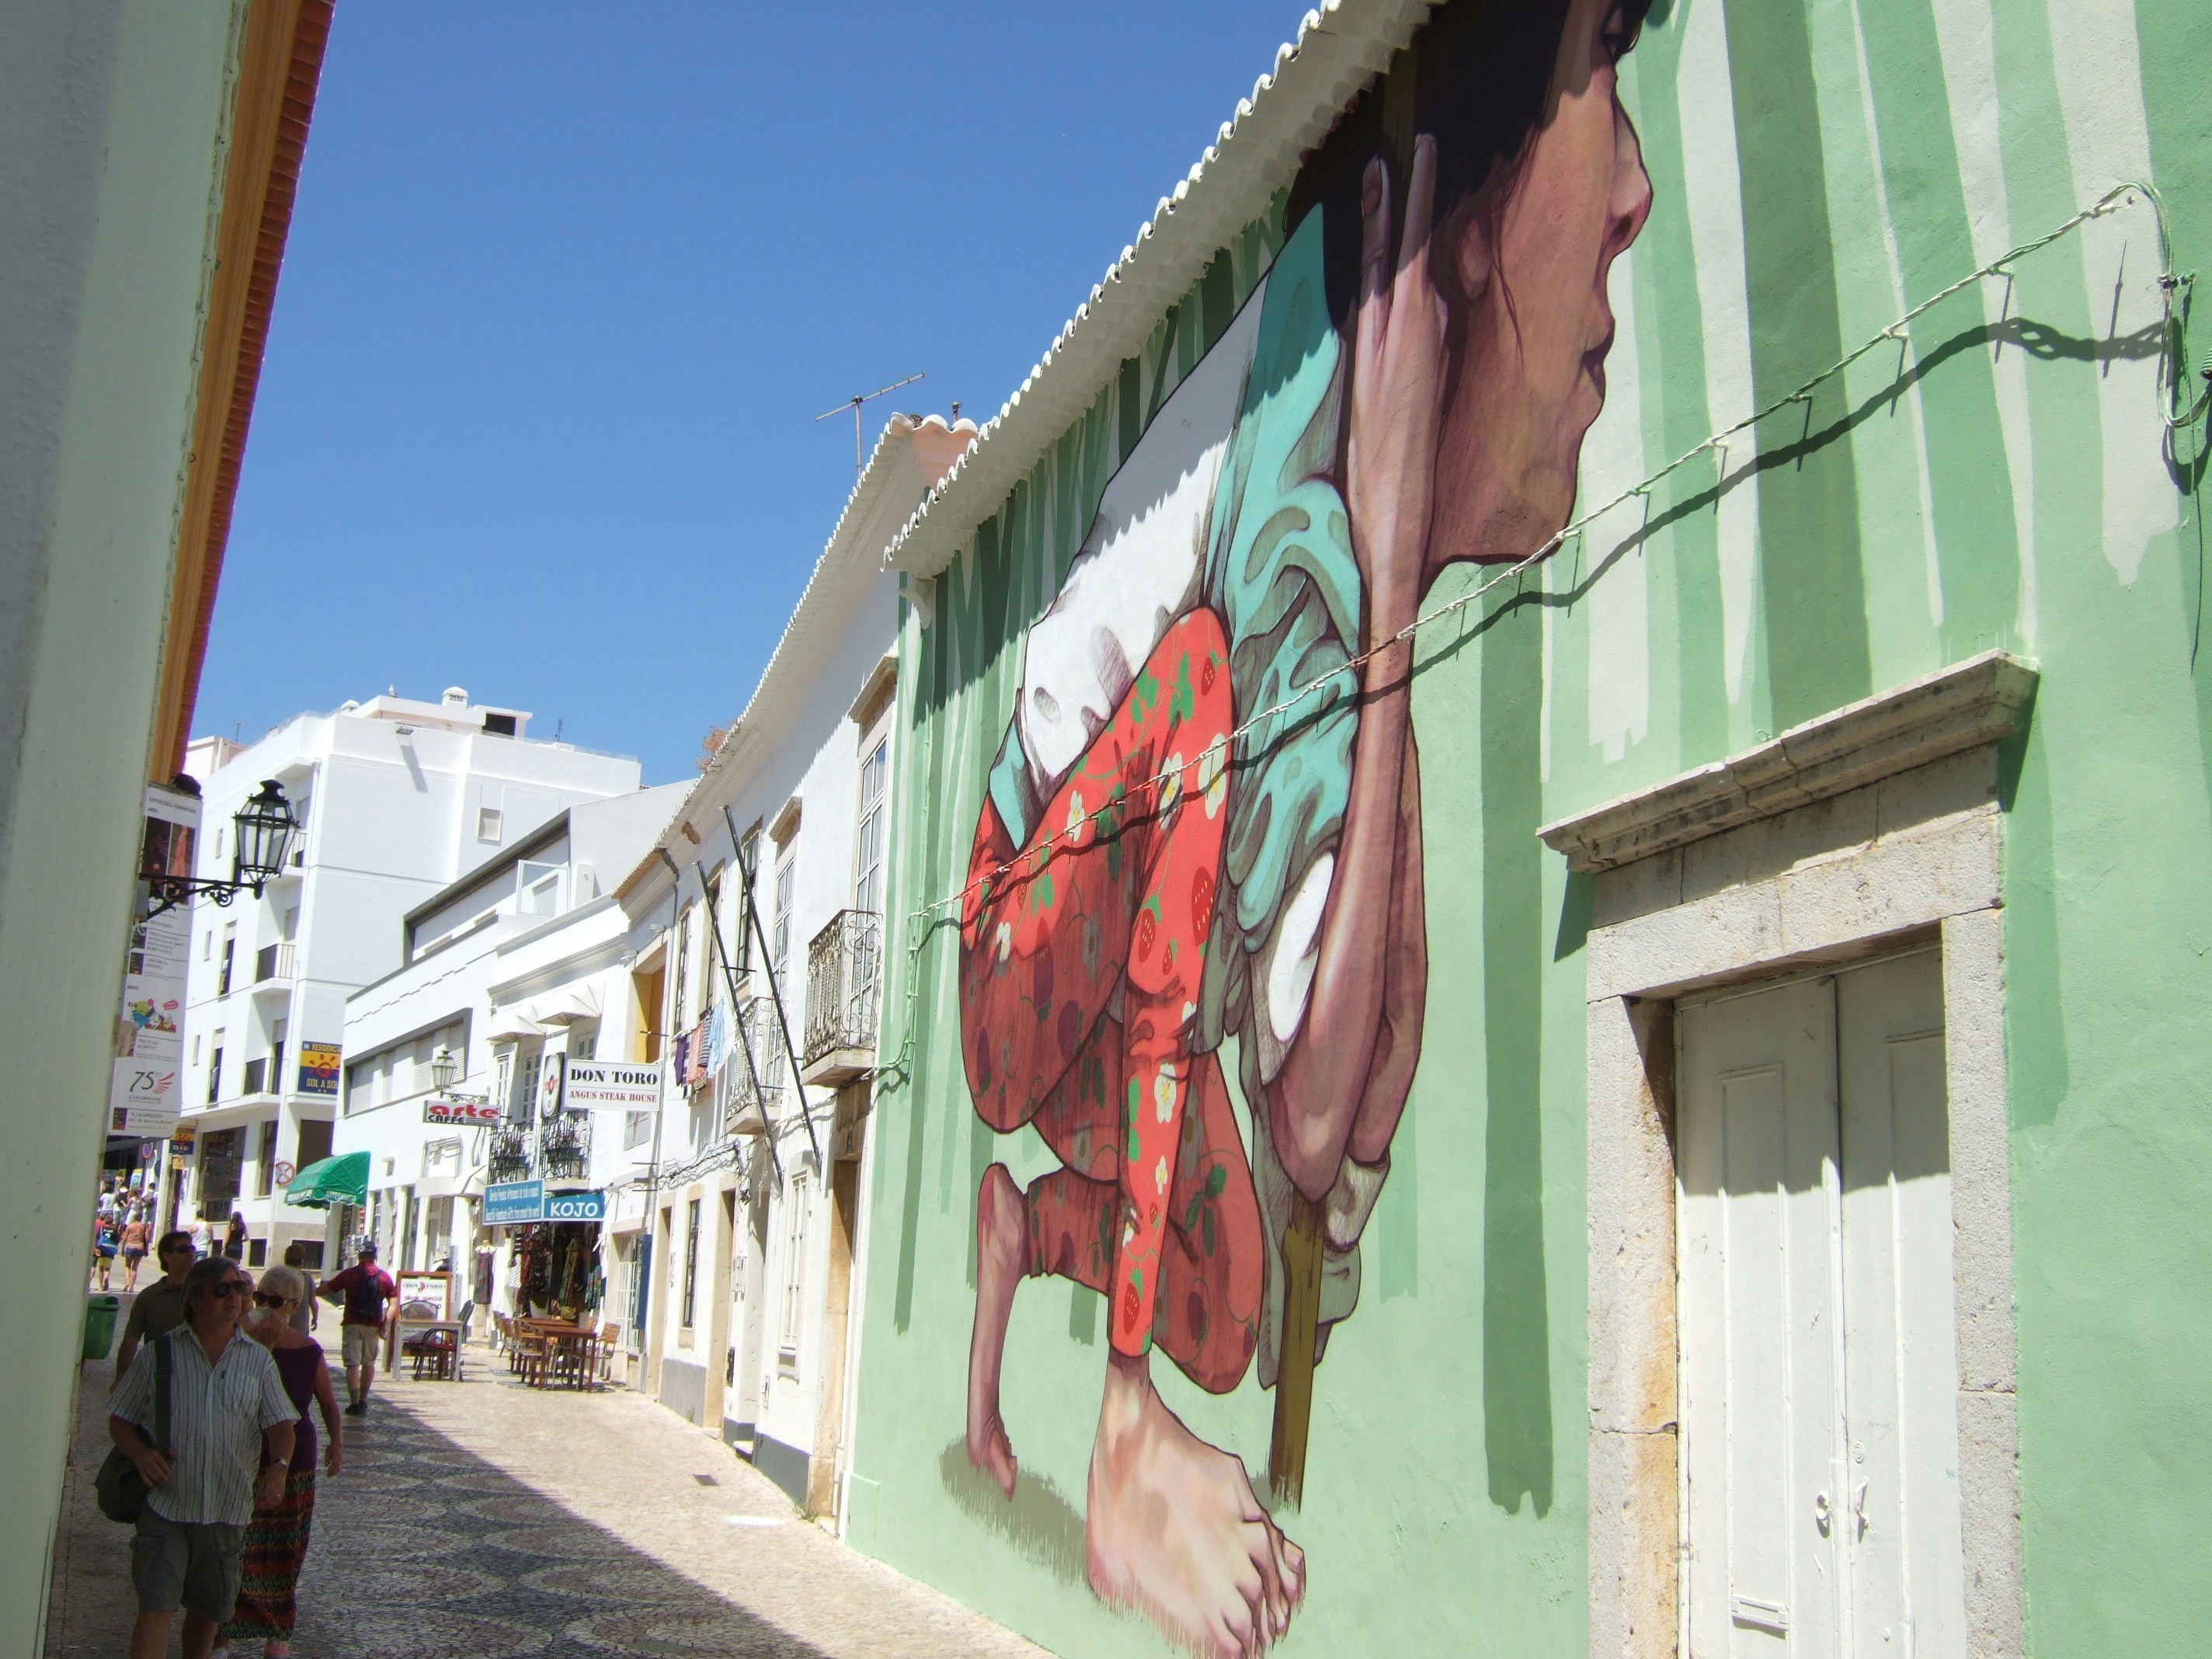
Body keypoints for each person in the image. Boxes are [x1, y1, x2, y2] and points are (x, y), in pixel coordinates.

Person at [956, 2, 1654, 1651]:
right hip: (1020, 938)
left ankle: (1022, 1238)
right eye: (1594, 66)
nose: (1633, 190)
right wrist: (1383, 589)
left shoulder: (1364, 568)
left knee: (1238, 1301)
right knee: (1202, 687)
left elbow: (1326, 1135)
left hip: (1132, 990)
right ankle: (1120, 1420)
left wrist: (1399, 594)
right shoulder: (1285, 477)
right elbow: (1319, 1109)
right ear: (1459, 234)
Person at [109, 1258, 297, 1659]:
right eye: (221, 1290)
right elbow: (120, 1417)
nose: (234, 1297)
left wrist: (279, 1469)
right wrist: (141, 1454)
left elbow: (282, 1424)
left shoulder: (257, 1360)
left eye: (239, 1289)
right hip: (167, 1505)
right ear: (195, 1300)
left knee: (207, 1613)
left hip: (227, 1512)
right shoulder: (160, 1354)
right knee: (155, 1607)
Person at [217, 1265, 341, 1658]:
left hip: (294, 1461)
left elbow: (327, 1403)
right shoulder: (236, 1341)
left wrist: (337, 1444)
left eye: (275, 1301)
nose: (265, 1307)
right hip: (245, 1455)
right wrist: (261, 1347)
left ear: (294, 1305)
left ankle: (278, 1634)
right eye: (260, 1298)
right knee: (236, 1549)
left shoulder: (308, 1350)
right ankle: (221, 1635)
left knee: (287, 1550)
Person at [317, 1242, 396, 1414]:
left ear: (359, 1256)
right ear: (375, 1256)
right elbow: (394, 1306)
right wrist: (384, 1325)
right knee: (368, 1363)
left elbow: (326, 1289)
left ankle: (354, 1403)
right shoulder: (385, 1278)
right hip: (373, 1325)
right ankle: (363, 1400)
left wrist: (309, 1292)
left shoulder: (349, 1274)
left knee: (352, 1364)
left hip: (352, 1323)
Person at [114, 1231, 198, 1387]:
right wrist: (121, 1380)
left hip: (195, 1377)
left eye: (192, 1248)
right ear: (167, 1257)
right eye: (183, 1250)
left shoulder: (204, 1294)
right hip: (158, 1377)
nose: (190, 1253)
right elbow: (131, 1340)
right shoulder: (148, 1297)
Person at [281, 1240, 318, 1337]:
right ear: (302, 1259)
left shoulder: (280, 1276)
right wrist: (315, 1318)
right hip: (300, 1324)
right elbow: (313, 1302)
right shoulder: (307, 1278)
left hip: (281, 1323)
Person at [120, 1212, 152, 1292]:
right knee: (135, 1268)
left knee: (127, 1266)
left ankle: (127, 1282)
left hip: (130, 1246)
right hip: (139, 1247)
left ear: (134, 1218)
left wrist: (122, 1249)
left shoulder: (130, 1226)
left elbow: (125, 1238)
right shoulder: (143, 1227)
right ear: (141, 1218)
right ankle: (131, 1287)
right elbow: (147, 1238)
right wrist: (146, 1249)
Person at [92, 1209, 121, 1292]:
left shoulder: (102, 1229)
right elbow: (117, 1240)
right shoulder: (114, 1231)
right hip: (110, 1250)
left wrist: (95, 1249)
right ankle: (106, 1278)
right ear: (112, 1222)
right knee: (107, 1269)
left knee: (101, 1268)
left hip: (101, 1249)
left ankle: (101, 1287)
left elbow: (97, 1239)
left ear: (105, 1221)